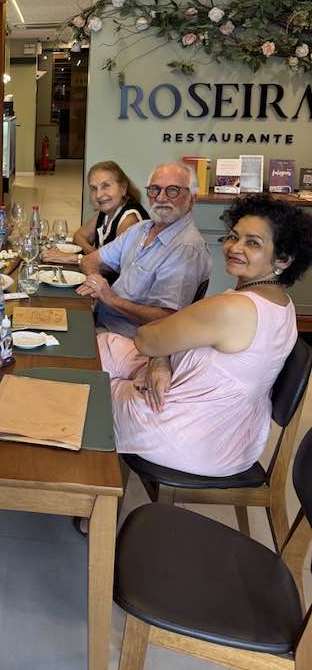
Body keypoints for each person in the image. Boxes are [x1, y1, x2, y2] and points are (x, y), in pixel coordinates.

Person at [98, 195, 312, 476]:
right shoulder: (282, 303)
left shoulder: (232, 308)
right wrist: (159, 361)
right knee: (107, 344)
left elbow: (146, 338)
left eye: (253, 243)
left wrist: (158, 356)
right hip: (231, 436)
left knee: (86, 387)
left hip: (187, 435)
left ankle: (92, 488)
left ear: (283, 258)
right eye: (233, 236)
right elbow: (162, 338)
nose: (235, 247)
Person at [77, 162, 211, 338]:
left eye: (173, 190)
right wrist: (96, 283)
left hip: (130, 339)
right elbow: (89, 260)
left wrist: (111, 299)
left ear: (192, 198)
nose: (161, 198)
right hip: (99, 321)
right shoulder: (140, 229)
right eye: (155, 189)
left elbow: (168, 319)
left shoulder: (187, 249)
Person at [43, 161, 148, 263]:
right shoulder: (107, 211)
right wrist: (93, 253)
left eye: (105, 186)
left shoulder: (130, 218)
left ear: (123, 188)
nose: (98, 195)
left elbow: (115, 264)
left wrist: (76, 258)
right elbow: (79, 236)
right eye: (93, 188)